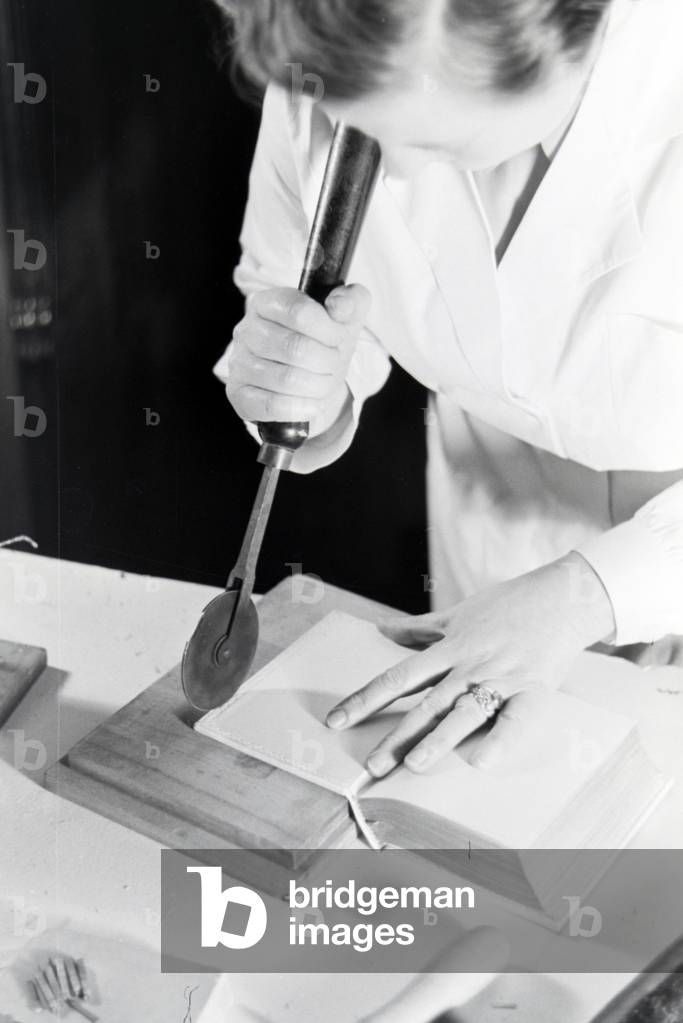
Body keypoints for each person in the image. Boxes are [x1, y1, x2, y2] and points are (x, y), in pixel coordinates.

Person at [214, 0, 683, 776]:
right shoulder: (339, 39)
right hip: (491, 552)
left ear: (562, 40)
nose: (385, 170)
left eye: (433, 140)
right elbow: (304, 279)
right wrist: (303, 376)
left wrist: (584, 596)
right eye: (353, 125)